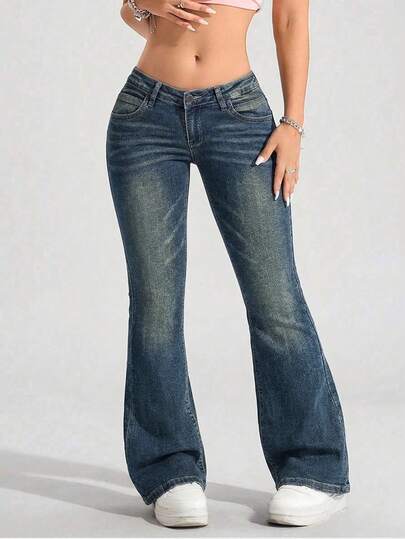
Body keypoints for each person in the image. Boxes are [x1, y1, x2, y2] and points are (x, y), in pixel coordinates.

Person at [105, 0, 350, 528]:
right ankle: (170, 471)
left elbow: (291, 19)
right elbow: (130, 11)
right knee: (154, 304)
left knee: (274, 298)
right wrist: (146, 3)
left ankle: (315, 469)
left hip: (237, 115)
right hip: (143, 114)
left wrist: (293, 123)